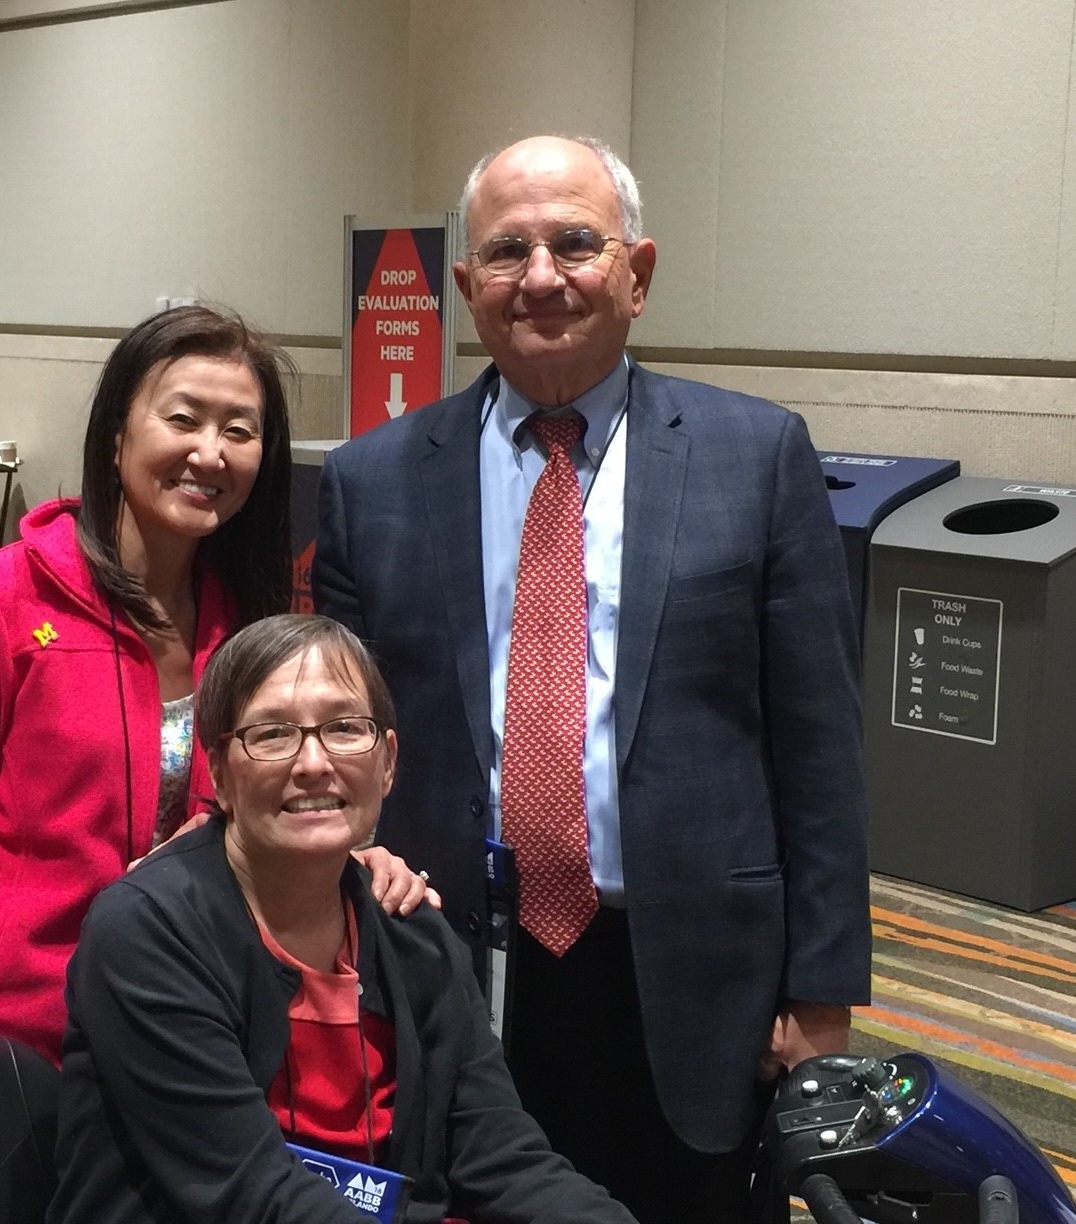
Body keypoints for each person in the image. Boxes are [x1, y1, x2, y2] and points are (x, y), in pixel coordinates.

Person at [313, 136, 872, 1222]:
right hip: (450, 957)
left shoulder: (755, 457)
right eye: (508, 251)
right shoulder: (371, 479)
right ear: (467, 286)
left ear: (638, 274)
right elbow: (338, 737)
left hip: (696, 971)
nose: (542, 276)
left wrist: (822, 990)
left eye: (576, 242)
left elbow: (819, 747)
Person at [0, 307, 431, 1203]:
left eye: (240, 430)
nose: (210, 453)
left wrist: (352, 856)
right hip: (9, 1057)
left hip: (178, 1052)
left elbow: (261, 821)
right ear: (115, 436)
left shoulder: (249, 630)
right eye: (182, 419)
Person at [50, 613, 637, 1224]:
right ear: (220, 772)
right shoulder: (147, 933)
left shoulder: (413, 932)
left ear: (386, 762)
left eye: (344, 728)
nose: (313, 763)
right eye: (273, 734)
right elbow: (251, 1197)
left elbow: (504, 1159)